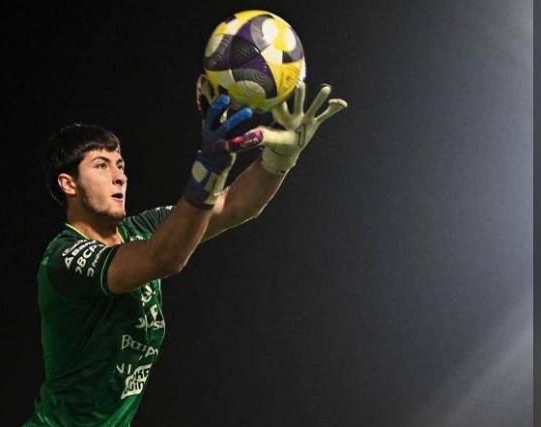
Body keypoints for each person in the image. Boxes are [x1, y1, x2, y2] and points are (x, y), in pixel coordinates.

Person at [25, 77, 347, 426]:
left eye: (121, 165)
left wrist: (277, 159)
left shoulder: (142, 229)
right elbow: (163, 258)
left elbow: (235, 206)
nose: (119, 177)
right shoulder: (65, 258)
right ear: (68, 183)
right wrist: (208, 172)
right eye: (101, 165)